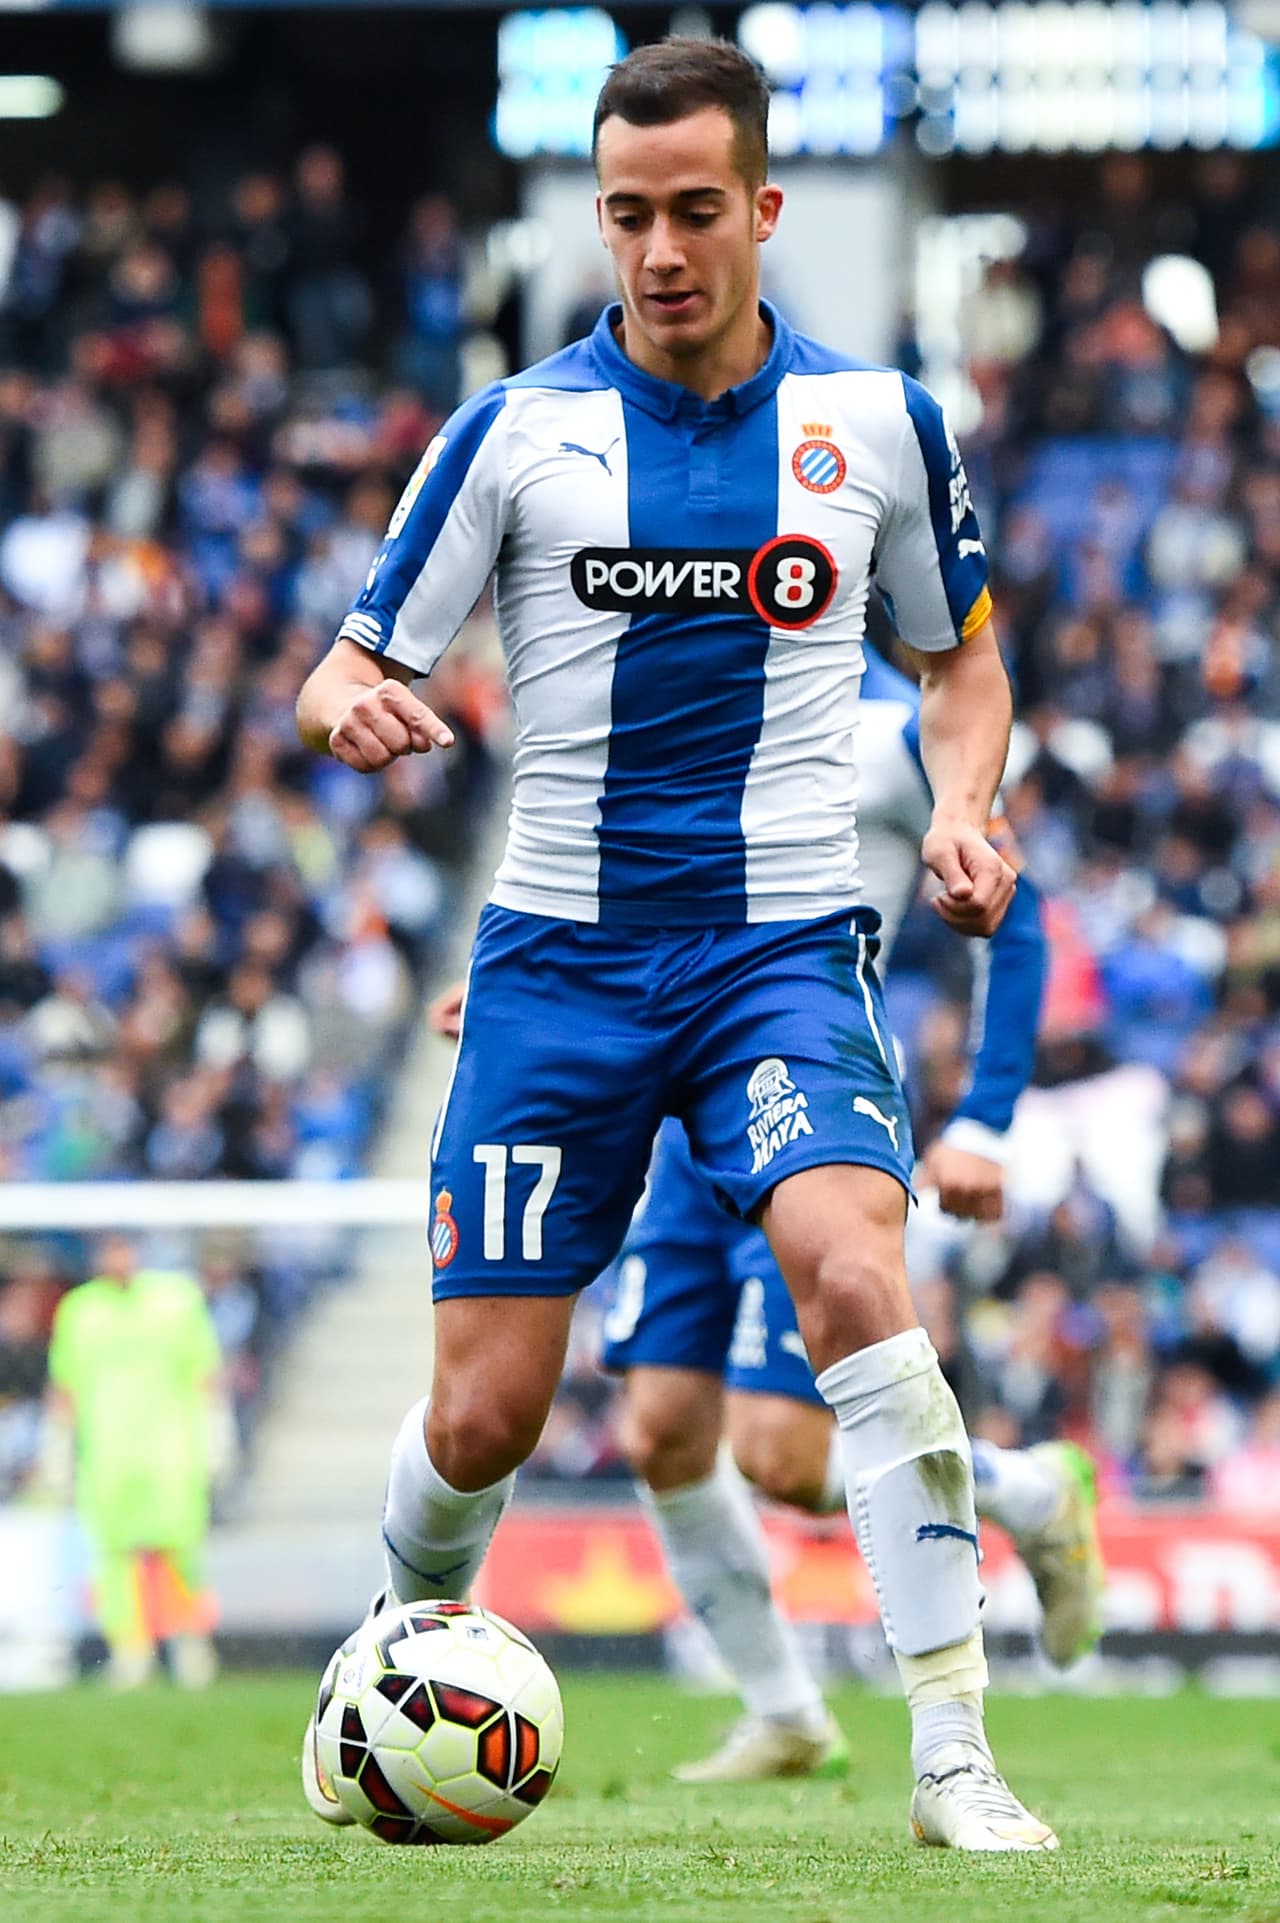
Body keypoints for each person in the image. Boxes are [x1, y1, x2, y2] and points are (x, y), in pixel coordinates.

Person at [296, 38, 1054, 1849]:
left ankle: (954, 1756)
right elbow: (352, 651)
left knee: (859, 1281)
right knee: (483, 1418)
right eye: (628, 213)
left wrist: (963, 805)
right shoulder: (513, 430)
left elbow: (964, 659)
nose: (657, 248)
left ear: (764, 211)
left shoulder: (876, 423)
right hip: (557, 962)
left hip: (777, 949)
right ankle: (382, 1660)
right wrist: (346, 706)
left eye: (694, 210)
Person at [600, 647, 1103, 1784]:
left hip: (798, 1115)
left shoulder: (891, 732)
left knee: (778, 1453)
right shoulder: (669, 699)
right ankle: (783, 1710)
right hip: (674, 1130)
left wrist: (981, 1118)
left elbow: (1015, 920)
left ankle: (1027, 1491)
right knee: (660, 1433)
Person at [41, 1233, 232, 1688]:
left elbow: (204, 1372)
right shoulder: (80, 1310)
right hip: (108, 1457)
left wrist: (218, 1432)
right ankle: (129, 1651)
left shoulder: (177, 1301)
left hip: (172, 1452)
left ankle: (190, 1644)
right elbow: (64, 1385)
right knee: (114, 1559)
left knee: (181, 1552)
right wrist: (58, 1446)